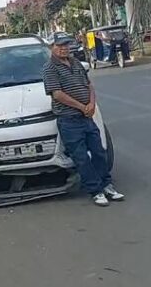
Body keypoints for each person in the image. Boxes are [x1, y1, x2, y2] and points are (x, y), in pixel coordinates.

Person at [42, 34, 125, 207]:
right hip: (69, 120)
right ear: (52, 47)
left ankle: (107, 185)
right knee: (81, 158)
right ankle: (96, 190)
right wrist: (81, 106)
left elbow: (88, 86)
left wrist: (92, 104)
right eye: (60, 46)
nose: (64, 48)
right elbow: (57, 94)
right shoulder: (50, 68)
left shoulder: (76, 63)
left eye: (66, 45)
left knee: (99, 152)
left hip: (86, 117)